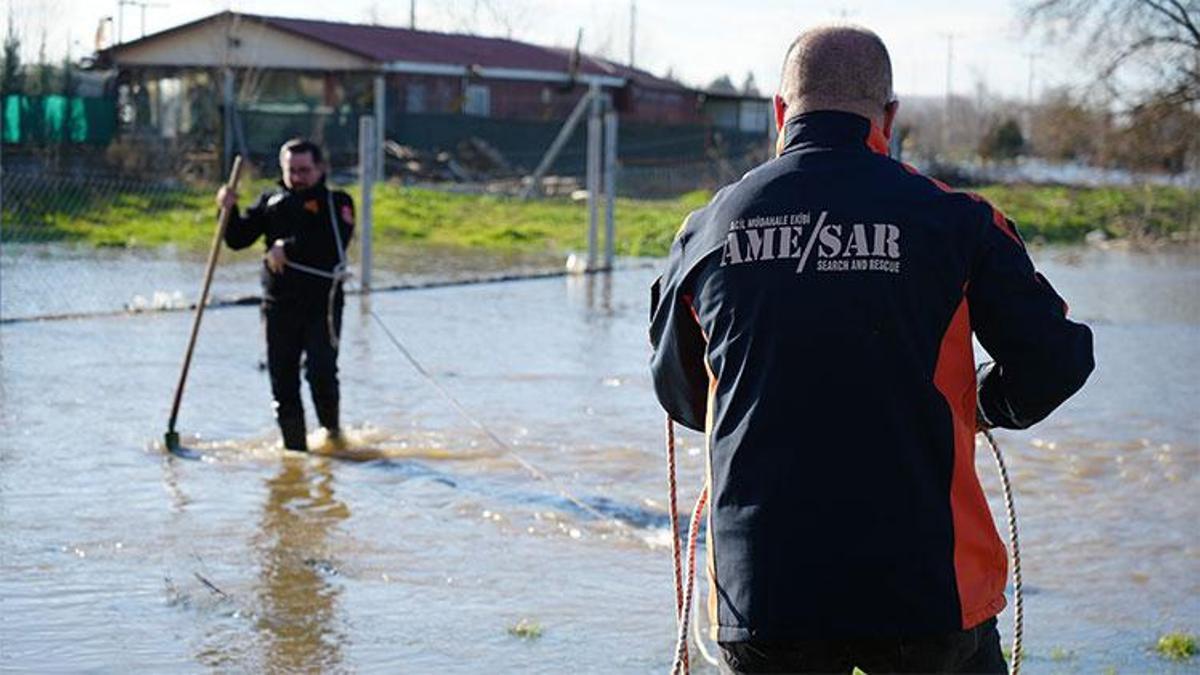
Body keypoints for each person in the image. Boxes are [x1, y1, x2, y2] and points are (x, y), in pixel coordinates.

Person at [649, 25, 1094, 674]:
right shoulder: (958, 220)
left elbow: (683, 397)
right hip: (926, 590)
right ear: (889, 116)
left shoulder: (705, 230)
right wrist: (986, 405)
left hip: (763, 594)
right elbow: (1058, 359)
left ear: (780, 112)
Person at [217, 139, 355, 452]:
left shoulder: (337, 203)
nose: (298, 177)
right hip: (279, 305)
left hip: (322, 305)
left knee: (321, 373)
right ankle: (296, 452)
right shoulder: (271, 201)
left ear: (320, 169)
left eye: (304, 170)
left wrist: (287, 247)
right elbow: (238, 239)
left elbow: (331, 243)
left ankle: (332, 436)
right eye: (291, 170)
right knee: (282, 379)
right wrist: (228, 210)